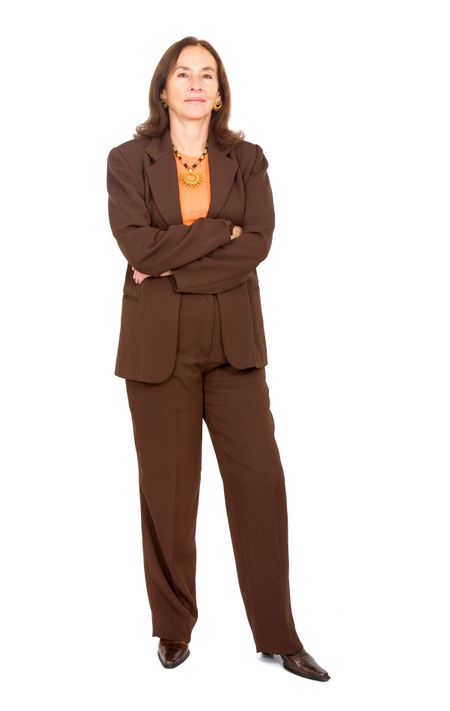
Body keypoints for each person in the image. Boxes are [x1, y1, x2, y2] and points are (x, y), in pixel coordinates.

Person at [106, 36, 330, 682]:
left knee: (261, 483)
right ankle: (173, 628)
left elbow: (256, 241)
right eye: (184, 74)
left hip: (235, 347)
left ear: (221, 91)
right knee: (170, 496)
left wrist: (171, 263)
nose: (197, 84)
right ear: (163, 88)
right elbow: (136, 248)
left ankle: (279, 633)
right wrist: (213, 236)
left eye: (208, 75)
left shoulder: (249, 161)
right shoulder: (127, 161)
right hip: (158, 351)